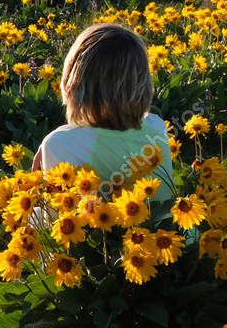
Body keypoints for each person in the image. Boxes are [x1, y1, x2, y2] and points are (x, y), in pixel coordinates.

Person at [32, 22, 174, 201]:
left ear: (75, 81)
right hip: (166, 228)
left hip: (99, 227)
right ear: (142, 82)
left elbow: (56, 220)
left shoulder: (60, 143)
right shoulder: (157, 127)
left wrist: (51, 143)